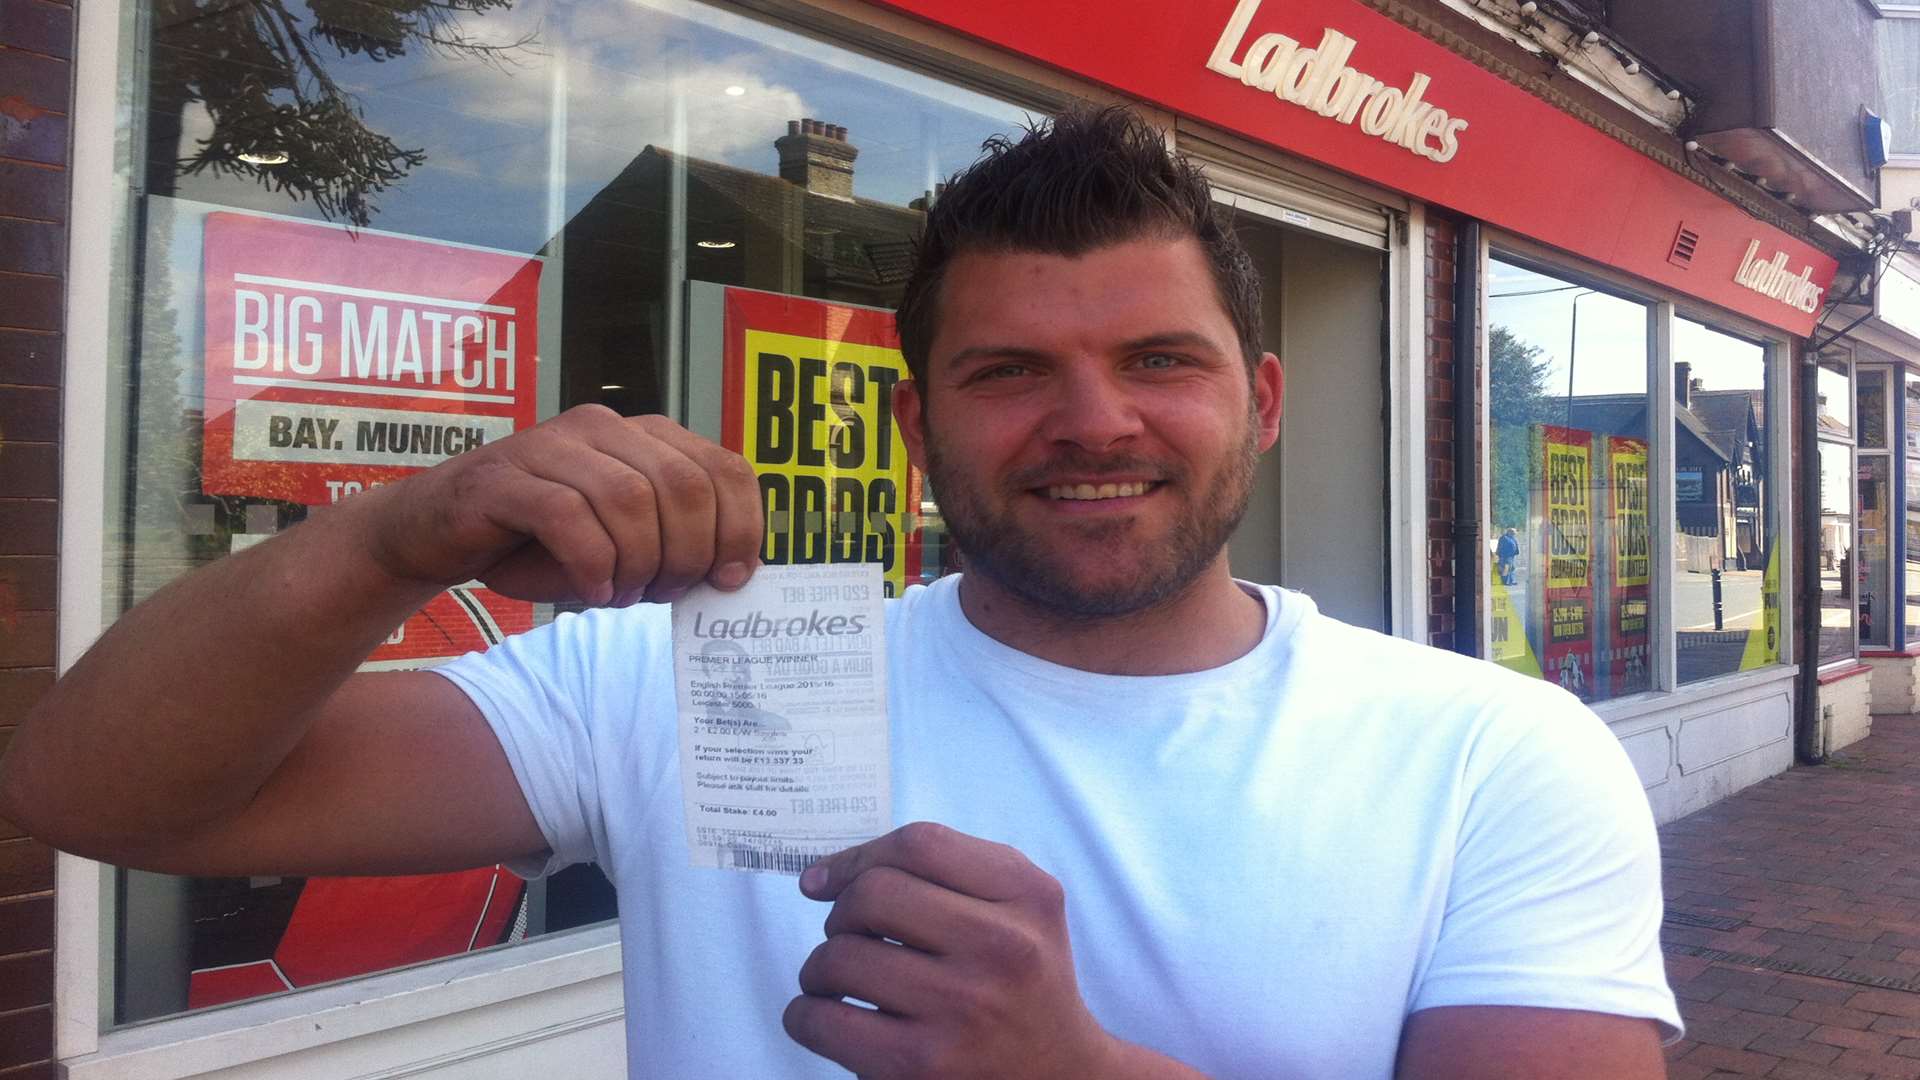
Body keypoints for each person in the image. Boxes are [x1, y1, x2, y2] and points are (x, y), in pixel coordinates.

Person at [0, 108, 1678, 1078]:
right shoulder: (683, 681)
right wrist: (385, 543)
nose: (1093, 421)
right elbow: (91, 790)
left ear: (1263, 400)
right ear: (913, 423)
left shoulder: (1491, 755)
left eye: (1158, 361)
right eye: (1012, 370)